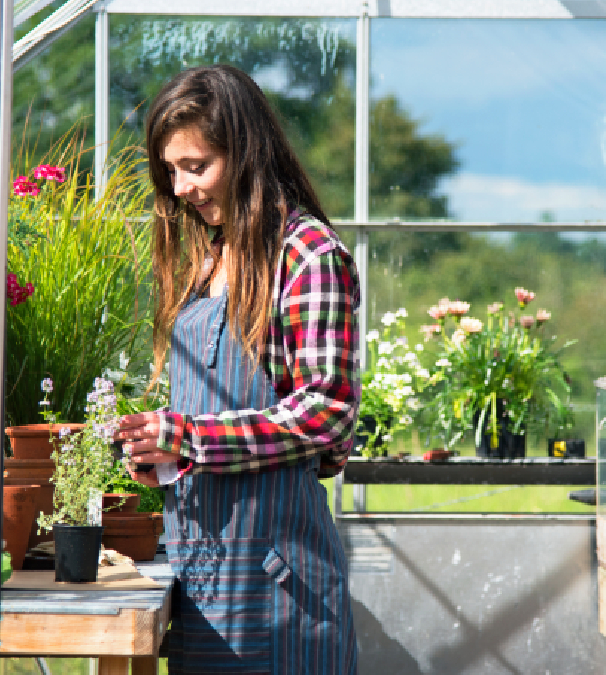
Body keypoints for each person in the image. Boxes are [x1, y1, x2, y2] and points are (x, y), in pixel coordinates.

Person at [114, 64, 359, 674]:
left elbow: (327, 412)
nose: (181, 188)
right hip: (200, 573)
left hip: (277, 586)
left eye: (196, 166)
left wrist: (190, 438)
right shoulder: (211, 260)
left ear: (246, 153)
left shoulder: (306, 256)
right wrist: (161, 455)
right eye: (171, 171)